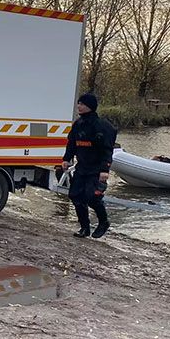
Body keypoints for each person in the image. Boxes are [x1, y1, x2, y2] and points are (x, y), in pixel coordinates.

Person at [62, 92, 117, 239]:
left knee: (92, 197)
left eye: (82, 104)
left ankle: (104, 222)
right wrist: (66, 159)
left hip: (96, 168)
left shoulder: (101, 126)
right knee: (75, 196)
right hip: (82, 167)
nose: (78, 106)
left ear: (90, 107)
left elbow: (107, 149)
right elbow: (71, 144)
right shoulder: (78, 125)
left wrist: (105, 169)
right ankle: (84, 228)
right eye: (78, 103)